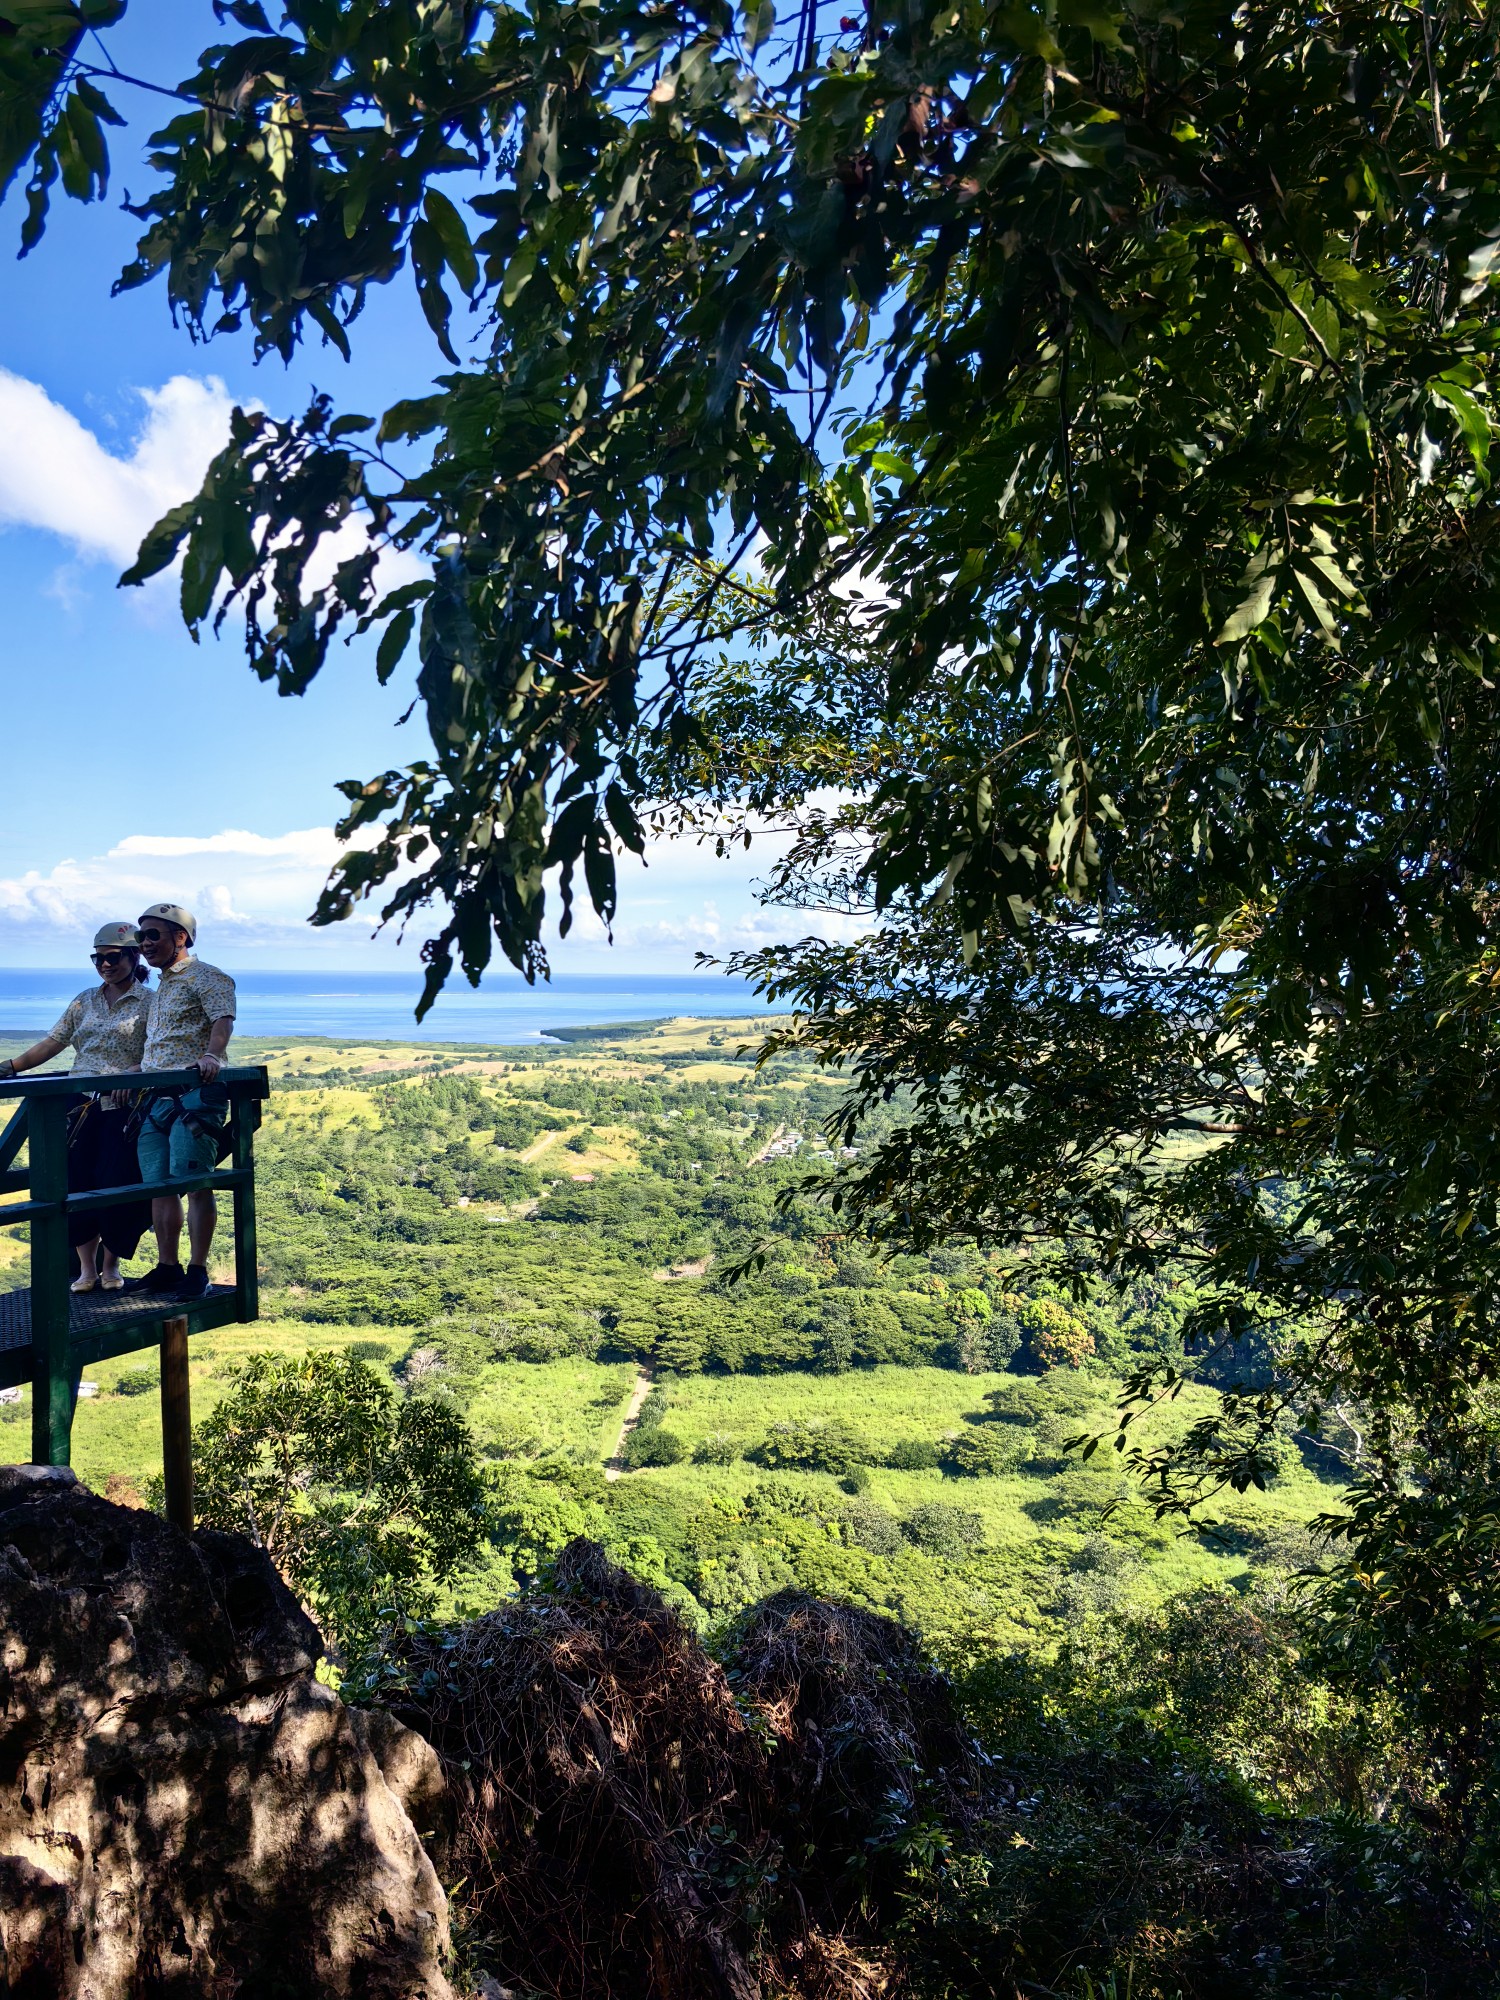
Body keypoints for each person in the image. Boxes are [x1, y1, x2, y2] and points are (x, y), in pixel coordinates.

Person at [0, 923, 152, 1290]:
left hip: (123, 1107)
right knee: (75, 1183)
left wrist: (135, 1072)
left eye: (113, 957)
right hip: (78, 1105)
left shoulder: (151, 1002)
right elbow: (54, 1042)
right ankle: (87, 1269)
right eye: (97, 958)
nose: (105, 964)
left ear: (134, 957)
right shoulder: (85, 1000)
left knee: (117, 1183)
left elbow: (160, 1050)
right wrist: (10, 1067)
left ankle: (111, 1267)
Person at [124, 903, 237, 1303]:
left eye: (153, 935)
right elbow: (167, 1042)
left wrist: (212, 1056)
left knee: (194, 1183)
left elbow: (222, 1020)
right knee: (159, 1185)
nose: (145, 943)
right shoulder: (163, 987)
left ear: (181, 937)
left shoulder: (208, 977)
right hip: (155, 1097)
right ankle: (168, 1266)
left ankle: (198, 1270)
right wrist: (139, 1068)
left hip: (193, 1096)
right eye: (141, 937)